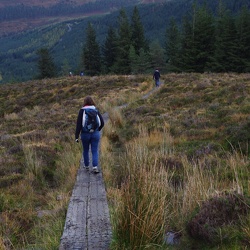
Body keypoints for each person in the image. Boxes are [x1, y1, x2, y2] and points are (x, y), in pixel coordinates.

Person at [75, 96, 104, 173]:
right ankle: (95, 167)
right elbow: (102, 122)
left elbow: (78, 125)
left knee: (86, 150)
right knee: (94, 150)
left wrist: (76, 136)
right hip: (95, 133)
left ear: (84, 102)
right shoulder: (96, 110)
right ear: (92, 102)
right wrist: (97, 130)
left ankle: (87, 166)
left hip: (85, 134)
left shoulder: (82, 111)